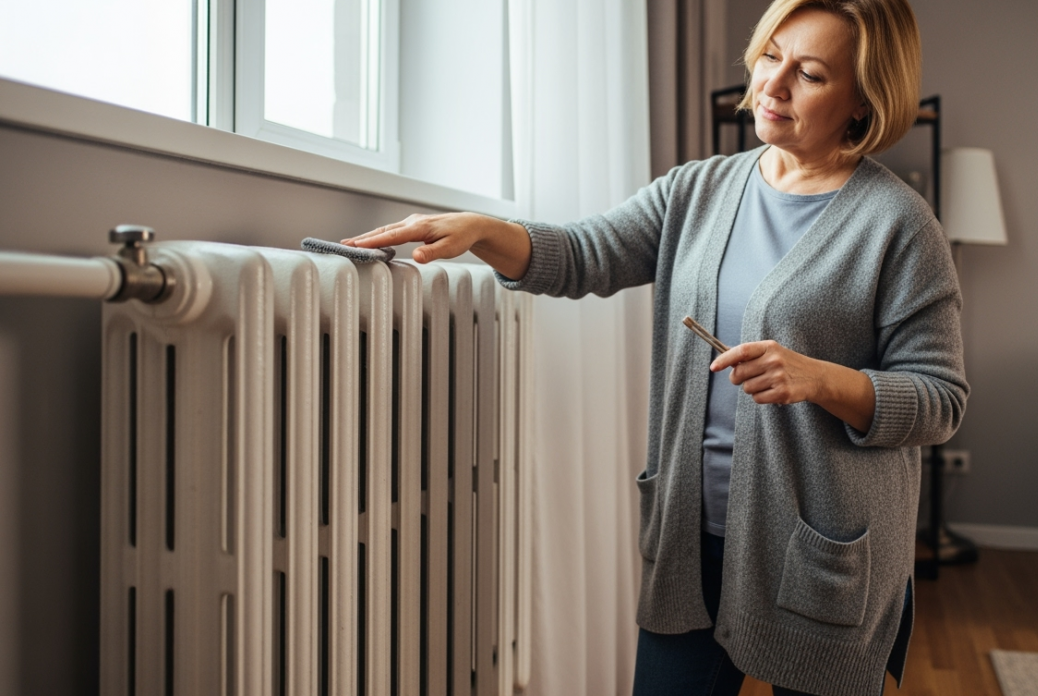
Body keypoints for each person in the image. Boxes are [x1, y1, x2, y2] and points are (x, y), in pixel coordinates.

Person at [343, 0, 967, 693]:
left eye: (810, 73)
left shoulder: (899, 224)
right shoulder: (697, 190)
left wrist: (819, 379)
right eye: (770, 57)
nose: (774, 84)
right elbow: (585, 253)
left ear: (863, 101)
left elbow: (940, 399)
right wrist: (480, 229)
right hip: (690, 535)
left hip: (816, 546)